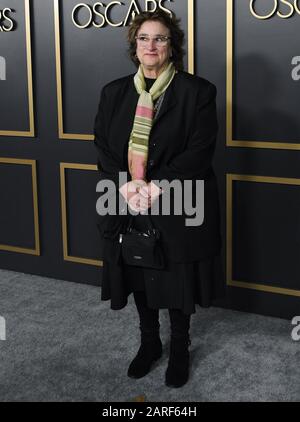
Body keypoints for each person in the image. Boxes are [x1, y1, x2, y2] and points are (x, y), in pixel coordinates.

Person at [93, 9, 225, 389]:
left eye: (160, 38)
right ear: (135, 46)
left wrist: (155, 187)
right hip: (124, 197)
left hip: (178, 197)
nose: (151, 45)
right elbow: (102, 144)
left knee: (177, 275)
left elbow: (200, 150)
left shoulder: (198, 92)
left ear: (172, 45)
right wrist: (125, 186)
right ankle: (149, 342)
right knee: (136, 270)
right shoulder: (114, 92)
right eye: (144, 38)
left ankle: (180, 347)